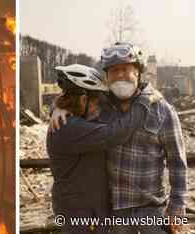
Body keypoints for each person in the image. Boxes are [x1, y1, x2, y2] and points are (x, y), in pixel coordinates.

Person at [50, 43, 188, 234]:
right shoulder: (102, 106)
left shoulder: (162, 111)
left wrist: (177, 207)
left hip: (150, 212)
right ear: (107, 76)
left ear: (138, 72)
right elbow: (75, 99)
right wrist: (58, 108)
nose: (120, 75)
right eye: (114, 70)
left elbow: (177, 163)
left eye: (125, 69)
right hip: (114, 214)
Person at [47, 64, 151, 234]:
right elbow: (118, 132)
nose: (99, 108)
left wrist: (57, 107)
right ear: (82, 100)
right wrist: (145, 101)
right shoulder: (69, 128)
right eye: (96, 101)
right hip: (79, 212)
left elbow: (109, 107)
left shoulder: (77, 119)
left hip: (89, 206)